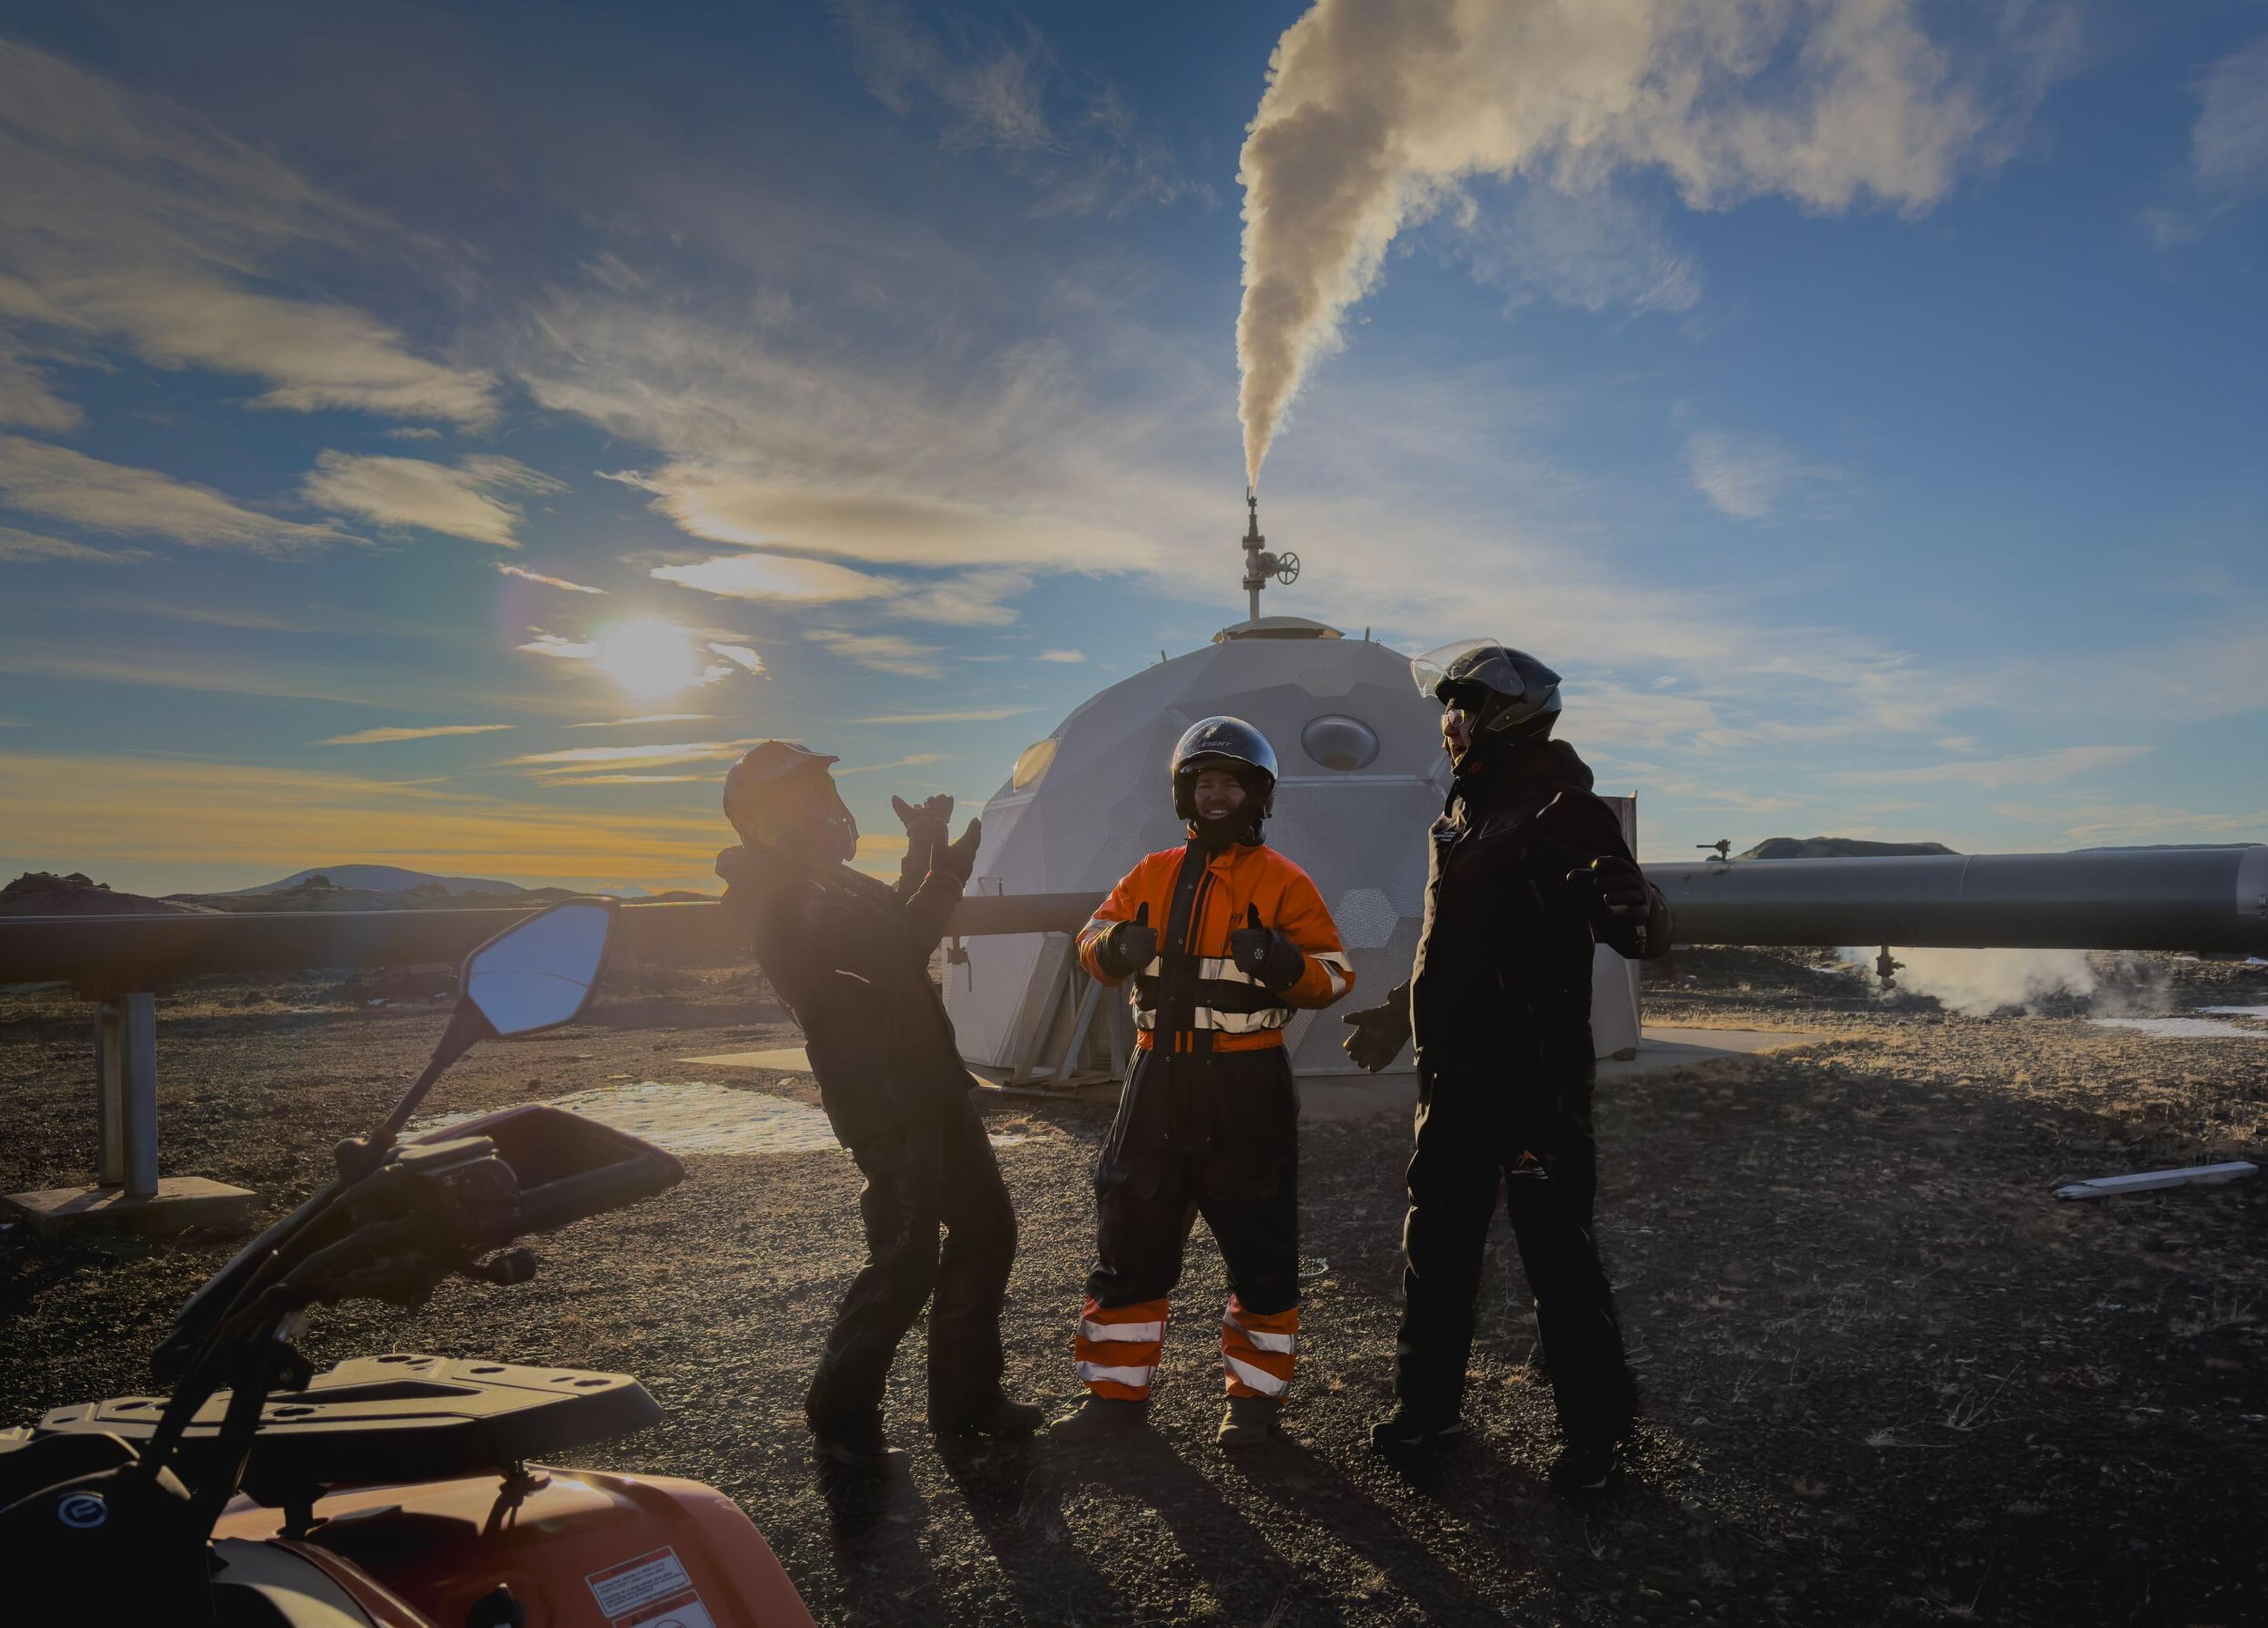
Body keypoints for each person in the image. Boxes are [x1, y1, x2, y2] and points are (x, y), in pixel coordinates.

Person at [1340, 642, 1672, 1493]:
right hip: (1451, 1077)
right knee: (1437, 1250)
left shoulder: (1562, 808)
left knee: (1557, 1257)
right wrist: (1392, 1019)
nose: (1448, 722)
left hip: (1533, 1081)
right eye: (1448, 706)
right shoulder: (1463, 820)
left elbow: (1630, 917)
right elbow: (1456, 947)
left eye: (1463, 705)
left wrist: (1638, 909)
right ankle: (1427, 1411)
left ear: (1505, 715)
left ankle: (1599, 1439)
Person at [715, 740, 1041, 1468]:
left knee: (988, 1230)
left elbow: (887, 918)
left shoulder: (827, 880)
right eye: (801, 801)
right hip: (881, 1095)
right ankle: (841, 1407)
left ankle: (965, 1399)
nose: (823, 811)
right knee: (906, 1256)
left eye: (822, 796)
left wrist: (923, 851)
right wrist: (946, 869)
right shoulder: (770, 895)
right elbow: (896, 944)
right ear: (759, 819)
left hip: (928, 1079)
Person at [1048, 717, 1355, 1449]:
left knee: (1261, 1247)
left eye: (1232, 782)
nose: (1218, 795)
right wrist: (1114, 945)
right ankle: (1113, 1403)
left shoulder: (1284, 882)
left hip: (1246, 1084)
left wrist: (1285, 963)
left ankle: (1253, 1409)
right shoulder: (1150, 873)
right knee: (1131, 1233)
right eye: (1204, 782)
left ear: (1257, 794)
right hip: (1158, 1077)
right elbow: (1089, 940)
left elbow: (1335, 975)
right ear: (1186, 793)